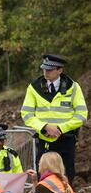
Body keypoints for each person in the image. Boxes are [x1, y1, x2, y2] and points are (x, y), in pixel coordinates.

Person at [21, 54, 88, 184]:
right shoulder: (34, 87)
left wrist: (60, 128)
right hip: (44, 141)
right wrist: (45, 127)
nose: (46, 72)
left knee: (66, 176)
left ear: (60, 70)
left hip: (66, 139)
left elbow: (81, 115)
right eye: (44, 69)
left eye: (50, 69)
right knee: (44, 177)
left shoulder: (73, 87)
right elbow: (27, 114)